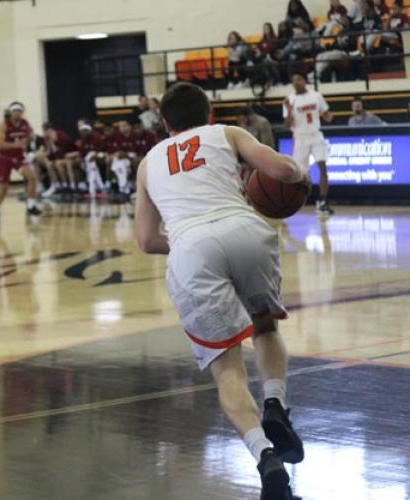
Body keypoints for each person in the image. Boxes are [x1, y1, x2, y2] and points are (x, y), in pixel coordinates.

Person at [135, 82, 305, 500]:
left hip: (192, 246)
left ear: (164, 122)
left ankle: (265, 455)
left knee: (226, 369)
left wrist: (190, 239)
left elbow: (145, 240)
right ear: (208, 113)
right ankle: (275, 405)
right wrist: (300, 175)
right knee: (265, 328)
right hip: (246, 230)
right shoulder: (227, 133)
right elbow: (281, 171)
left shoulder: (148, 162)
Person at [284, 72, 334, 215]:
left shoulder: (316, 96)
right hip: (300, 137)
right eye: (293, 81)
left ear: (304, 81)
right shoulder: (290, 99)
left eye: (298, 79)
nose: (296, 83)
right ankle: (296, 200)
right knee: (299, 172)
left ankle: (323, 201)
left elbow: (327, 114)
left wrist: (328, 116)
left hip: (316, 135)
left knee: (322, 166)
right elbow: (287, 125)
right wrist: (288, 111)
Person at [0, 102, 41, 219]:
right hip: (5, 158)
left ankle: (31, 206)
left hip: (19, 157)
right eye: (15, 110)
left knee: (32, 177)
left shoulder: (25, 124)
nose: (17, 113)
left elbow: (30, 135)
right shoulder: (4, 125)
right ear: (11, 112)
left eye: (19, 110)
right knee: (4, 189)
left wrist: (29, 140)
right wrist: (17, 144)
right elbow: (0, 144)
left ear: (22, 112)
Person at [40, 123, 74, 196]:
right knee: (49, 163)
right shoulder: (47, 139)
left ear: (51, 131)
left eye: (47, 132)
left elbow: (62, 153)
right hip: (60, 157)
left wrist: (52, 144)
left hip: (72, 156)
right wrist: (49, 147)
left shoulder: (62, 136)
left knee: (58, 163)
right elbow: (51, 155)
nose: (46, 134)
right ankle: (55, 185)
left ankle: (66, 185)